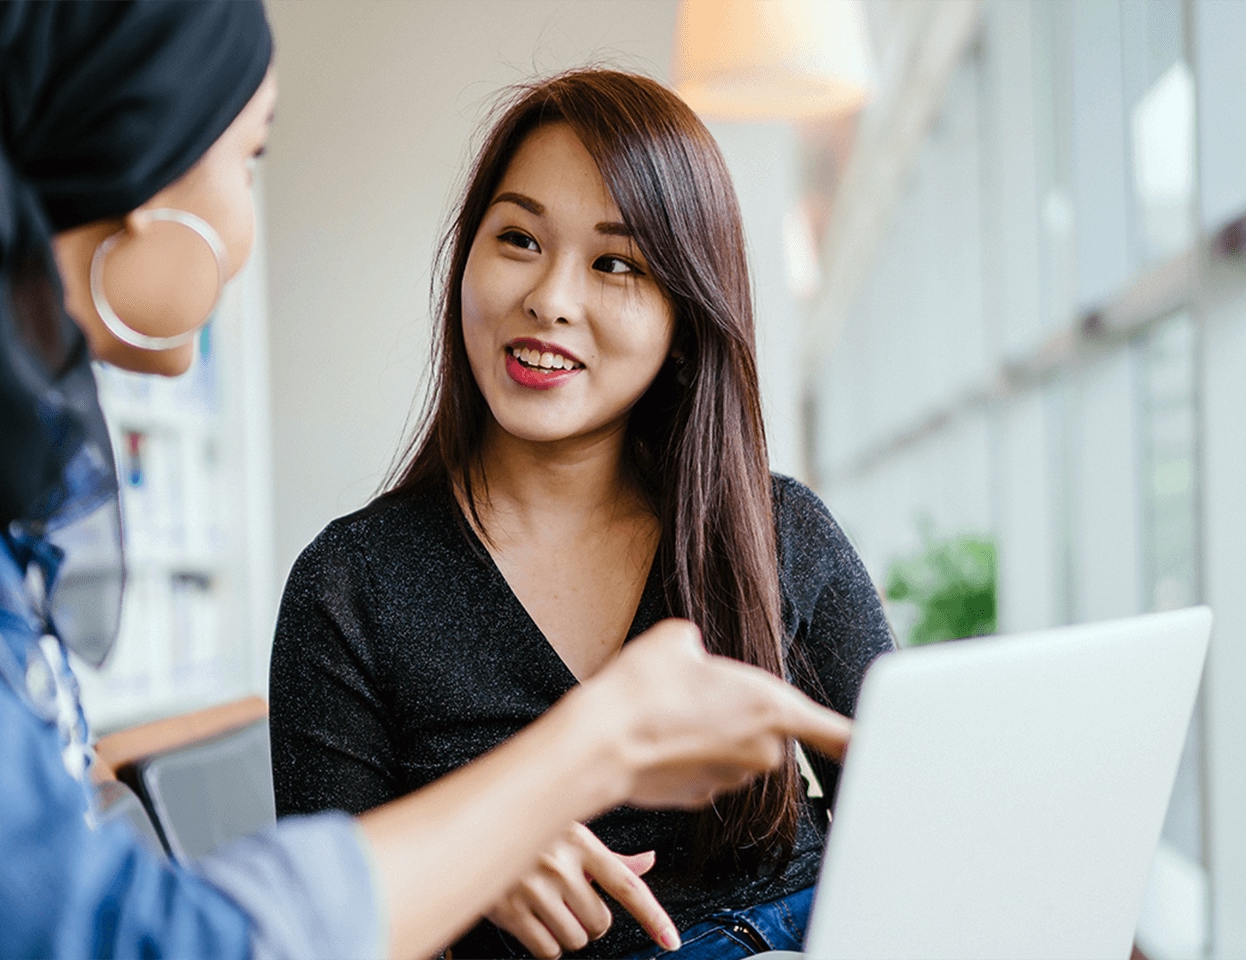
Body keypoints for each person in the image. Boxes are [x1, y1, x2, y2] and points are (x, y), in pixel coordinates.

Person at [0, 6, 854, 959]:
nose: (551, 299)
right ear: (129, 167)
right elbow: (123, 938)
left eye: (616, 264)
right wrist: (541, 790)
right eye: (250, 158)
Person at [269, 69, 895, 960]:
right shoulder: (350, 588)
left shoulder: (777, 530)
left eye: (616, 264)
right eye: (519, 239)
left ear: (686, 313)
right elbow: (322, 934)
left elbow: (914, 822)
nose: (551, 299)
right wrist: (469, 856)